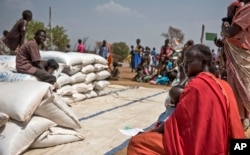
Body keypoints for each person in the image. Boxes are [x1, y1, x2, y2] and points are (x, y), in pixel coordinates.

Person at [127, 44, 245, 155]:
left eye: (189, 62)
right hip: (222, 148)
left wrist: (151, 131)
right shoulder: (225, 86)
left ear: (203, 62)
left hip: (198, 147)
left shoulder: (196, 85)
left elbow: (177, 121)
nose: (185, 65)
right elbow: (235, 125)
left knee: (137, 142)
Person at [221, 0, 250, 125]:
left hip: (242, 55)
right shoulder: (243, 9)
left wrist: (226, 20)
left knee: (244, 87)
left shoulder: (248, 9)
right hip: (237, 55)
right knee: (236, 89)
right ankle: (239, 122)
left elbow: (230, 32)